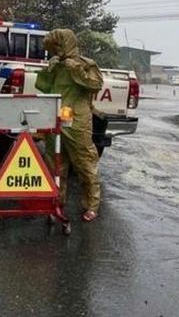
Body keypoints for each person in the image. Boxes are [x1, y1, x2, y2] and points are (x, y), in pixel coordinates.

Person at [35, 29, 104, 222]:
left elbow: (96, 85)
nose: (55, 50)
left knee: (85, 163)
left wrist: (76, 69)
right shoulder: (56, 65)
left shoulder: (85, 63)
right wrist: (48, 70)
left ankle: (91, 205)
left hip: (77, 121)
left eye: (57, 46)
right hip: (55, 119)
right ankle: (56, 201)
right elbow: (43, 87)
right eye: (52, 48)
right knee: (55, 163)